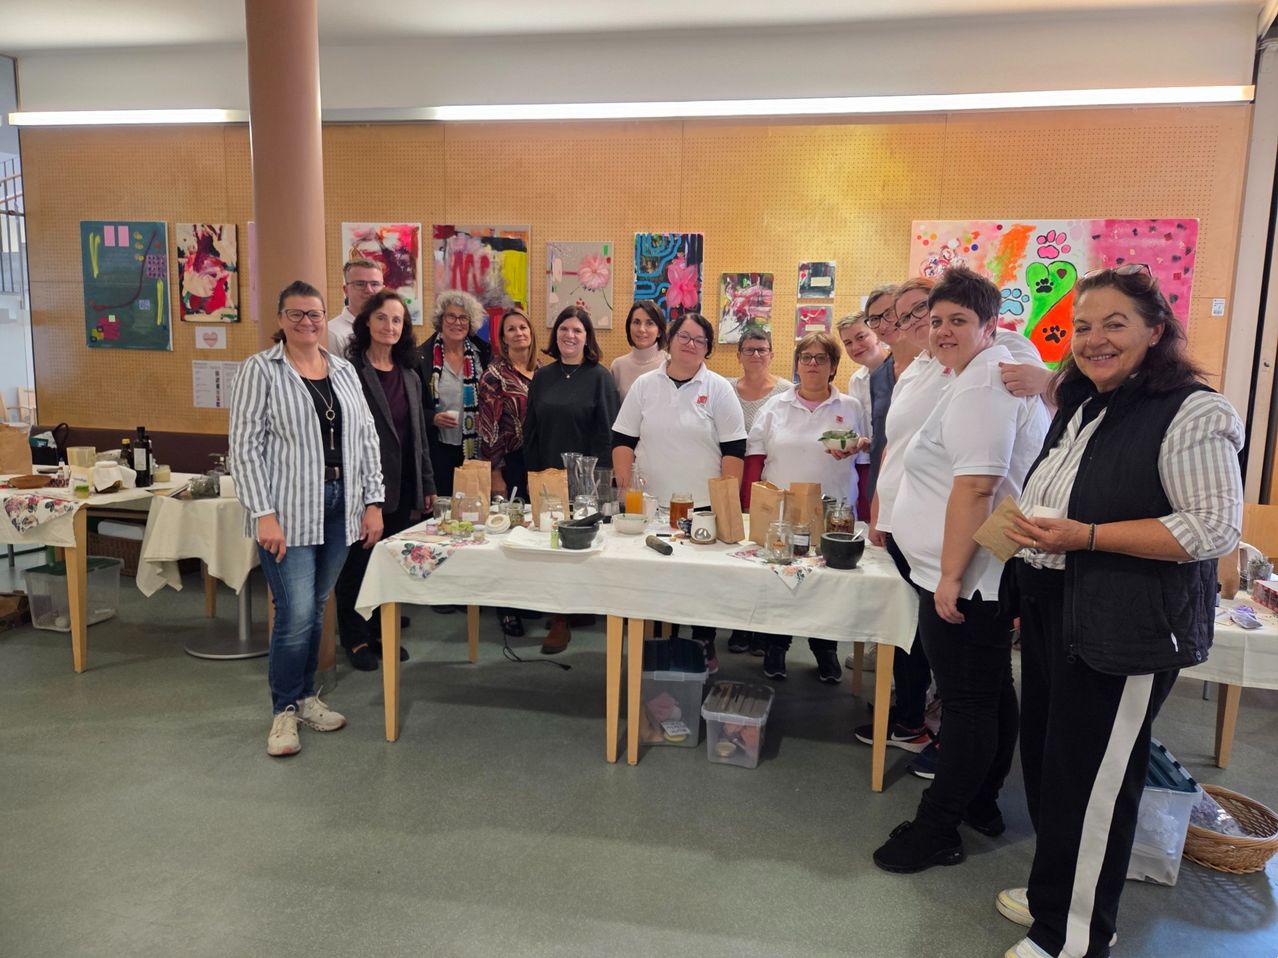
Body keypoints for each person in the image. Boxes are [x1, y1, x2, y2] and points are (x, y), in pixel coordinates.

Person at [995, 265, 1243, 958]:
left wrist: (1088, 537)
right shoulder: (1081, 401)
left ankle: (1073, 937)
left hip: (1124, 625)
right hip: (1055, 606)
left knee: (1094, 781)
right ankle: (1059, 897)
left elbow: (1212, 529)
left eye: (1114, 324)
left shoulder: (1194, 410)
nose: (1094, 340)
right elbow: (1049, 496)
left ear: (1156, 330)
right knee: (1050, 765)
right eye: (1082, 327)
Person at [872, 267, 1049, 874]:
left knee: (970, 702)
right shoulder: (968, 373)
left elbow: (976, 486)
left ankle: (938, 826)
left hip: (968, 575)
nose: (943, 330)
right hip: (963, 568)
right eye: (937, 320)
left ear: (989, 326)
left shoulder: (983, 384)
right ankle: (981, 800)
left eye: (958, 321)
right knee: (991, 690)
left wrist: (949, 577)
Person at [229, 280, 384, 757]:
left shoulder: (342, 370)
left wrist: (373, 501)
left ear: (325, 317)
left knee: (316, 607)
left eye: (314, 314)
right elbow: (245, 449)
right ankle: (283, 711)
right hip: (288, 511)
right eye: (296, 314)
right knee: (294, 614)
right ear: (280, 320)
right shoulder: (260, 371)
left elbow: (365, 437)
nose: (307, 322)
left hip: (342, 505)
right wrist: (263, 514)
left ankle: (304, 697)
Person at [612, 311, 747, 672]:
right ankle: (656, 646)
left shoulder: (718, 388)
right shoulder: (644, 386)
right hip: (650, 504)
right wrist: (625, 488)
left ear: (708, 348)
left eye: (699, 340)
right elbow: (623, 439)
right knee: (651, 576)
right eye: (684, 337)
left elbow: (734, 451)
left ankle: (703, 641)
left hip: (701, 506)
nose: (690, 345)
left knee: (700, 582)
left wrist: (727, 502)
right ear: (669, 341)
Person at [744, 331, 867, 682]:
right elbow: (755, 458)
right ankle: (776, 647)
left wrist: (869, 514)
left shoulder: (851, 407)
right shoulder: (775, 406)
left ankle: (826, 651)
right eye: (806, 357)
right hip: (782, 512)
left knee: (826, 585)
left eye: (821, 358)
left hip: (835, 514)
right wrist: (751, 506)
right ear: (797, 364)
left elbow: (864, 462)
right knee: (781, 579)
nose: (812, 364)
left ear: (833, 366)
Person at [332, 290, 436, 672]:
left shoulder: (409, 374)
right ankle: (355, 638)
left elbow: (418, 437)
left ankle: (378, 631)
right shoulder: (349, 373)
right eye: (382, 318)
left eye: (397, 320)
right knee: (357, 564)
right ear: (367, 323)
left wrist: (426, 485)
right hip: (365, 487)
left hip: (405, 482)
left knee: (388, 562)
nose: (389, 326)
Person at [524, 306, 621, 653]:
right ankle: (559, 619)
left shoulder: (601, 377)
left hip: (587, 480)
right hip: (548, 474)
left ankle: (584, 608)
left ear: (587, 337)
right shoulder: (542, 377)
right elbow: (530, 430)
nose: (570, 335)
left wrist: (601, 481)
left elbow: (608, 432)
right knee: (553, 550)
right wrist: (534, 475)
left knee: (585, 547)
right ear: (556, 334)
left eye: (578, 330)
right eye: (564, 329)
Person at [478, 306, 545, 638]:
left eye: (523, 327)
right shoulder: (495, 375)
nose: (519, 333)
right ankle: (506, 608)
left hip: (540, 465)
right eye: (511, 329)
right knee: (509, 537)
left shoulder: (544, 371)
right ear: (502, 339)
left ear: (531, 333)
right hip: (509, 463)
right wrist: (495, 474)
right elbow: (488, 430)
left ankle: (528, 599)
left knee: (534, 534)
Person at [724, 323, 791, 655]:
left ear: (772, 354)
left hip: (773, 486)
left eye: (761, 349)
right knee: (738, 558)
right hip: (734, 482)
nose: (755, 355)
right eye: (748, 349)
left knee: (768, 556)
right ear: (738, 356)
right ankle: (739, 626)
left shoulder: (787, 392)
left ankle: (766, 630)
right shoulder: (725, 389)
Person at [420, 290, 492, 499]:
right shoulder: (422, 357)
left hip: (474, 449)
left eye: (463, 318)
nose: (457, 322)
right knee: (441, 513)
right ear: (441, 320)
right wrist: (431, 418)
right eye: (450, 316)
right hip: (437, 449)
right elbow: (412, 406)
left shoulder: (483, 354)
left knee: (474, 511)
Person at [837, 309, 890, 520]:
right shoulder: (856, 381)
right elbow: (868, 433)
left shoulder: (903, 369)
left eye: (861, 337)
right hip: (874, 467)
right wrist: (859, 443)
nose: (855, 346)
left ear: (877, 333)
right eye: (848, 343)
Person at [610, 300, 668, 400]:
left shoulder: (670, 363)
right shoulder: (618, 366)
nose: (641, 329)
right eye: (636, 322)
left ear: (659, 331)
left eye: (649, 323)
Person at [327, 259, 385, 355]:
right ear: (346, 290)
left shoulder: (390, 329)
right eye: (360, 284)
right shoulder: (332, 333)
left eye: (374, 284)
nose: (369, 290)